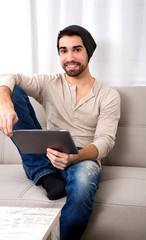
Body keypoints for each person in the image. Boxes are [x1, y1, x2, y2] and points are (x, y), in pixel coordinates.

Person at [0, 25, 120, 240]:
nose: (69, 57)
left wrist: (76, 156)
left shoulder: (108, 95)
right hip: (47, 154)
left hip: (83, 157)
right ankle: (44, 173)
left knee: (83, 182)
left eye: (76, 49)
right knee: (12, 90)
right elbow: (9, 76)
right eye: (63, 51)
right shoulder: (49, 83)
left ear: (88, 51)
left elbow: (105, 141)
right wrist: (5, 105)